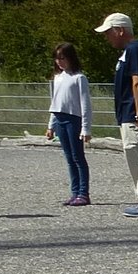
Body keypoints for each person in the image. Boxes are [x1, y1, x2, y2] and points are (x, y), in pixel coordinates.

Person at [94, 13, 138, 216]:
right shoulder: (130, 51)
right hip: (129, 113)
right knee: (135, 157)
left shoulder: (134, 49)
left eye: (109, 32)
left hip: (134, 114)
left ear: (120, 30)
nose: (107, 37)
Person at [45, 42, 92, 206]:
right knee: (69, 158)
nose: (59, 62)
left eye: (62, 58)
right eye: (57, 58)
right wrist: (51, 125)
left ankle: (83, 193)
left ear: (71, 58)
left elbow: (85, 104)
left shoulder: (79, 78)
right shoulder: (57, 78)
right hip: (59, 119)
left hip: (73, 119)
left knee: (78, 157)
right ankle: (74, 192)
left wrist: (86, 128)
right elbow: (55, 103)